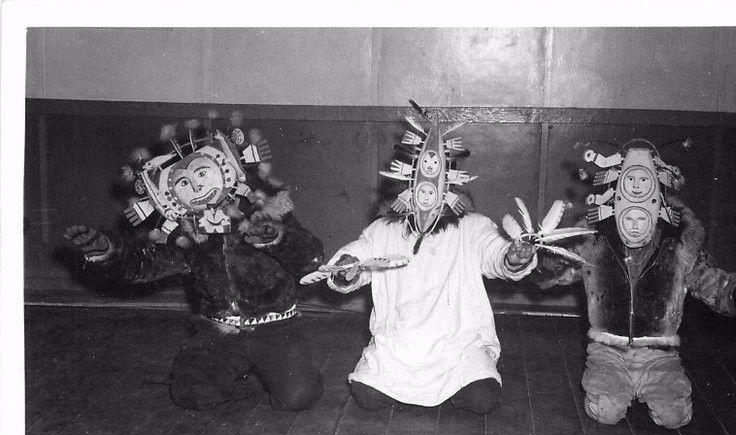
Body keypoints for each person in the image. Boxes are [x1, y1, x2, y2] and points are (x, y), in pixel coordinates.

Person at [65, 120, 325, 412]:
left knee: (299, 397)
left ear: (224, 171)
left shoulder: (265, 212)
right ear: (172, 195)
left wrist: (278, 238)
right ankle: (236, 368)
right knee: (192, 394)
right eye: (184, 183)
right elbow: (146, 264)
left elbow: (311, 258)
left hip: (277, 330)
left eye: (202, 173)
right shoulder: (186, 234)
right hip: (218, 333)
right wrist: (108, 251)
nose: (197, 185)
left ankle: (283, 367)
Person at [533, 141, 736, 429]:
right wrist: (544, 257)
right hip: (607, 352)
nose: (634, 223)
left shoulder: (679, 250)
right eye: (627, 212)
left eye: (642, 211)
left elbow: (713, 284)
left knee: (675, 418)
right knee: (606, 411)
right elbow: (553, 273)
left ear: (658, 204)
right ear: (615, 202)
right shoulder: (593, 245)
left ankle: (651, 390)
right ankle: (616, 390)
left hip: (659, 356)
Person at [323, 111, 537, 415]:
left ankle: (455, 386)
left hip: (457, 344)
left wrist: (512, 256)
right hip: (400, 344)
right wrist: (347, 265)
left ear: (447, 187)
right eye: (420, 188)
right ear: (408, 187)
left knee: (483, 398)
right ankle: (410, 385)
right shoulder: (384, 230)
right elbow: (359, 253)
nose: (426, 195)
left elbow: (495, 254)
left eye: (433, 188)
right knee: (366, 395)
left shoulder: (472, 227)